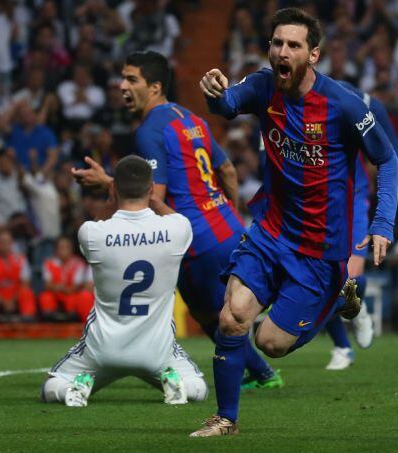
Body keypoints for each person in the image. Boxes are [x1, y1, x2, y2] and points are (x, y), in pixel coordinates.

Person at [194, 7, 398, 436]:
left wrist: (382, 223)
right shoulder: (264, 85)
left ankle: (338, 294)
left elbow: (387, 158)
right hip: (271, 231)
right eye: (277, 43)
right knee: (232, 318)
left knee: (270, 342)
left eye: (293, 45)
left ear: (314, 54)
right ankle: (225, 419)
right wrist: (215, 92)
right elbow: (228, 103)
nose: (282, 52)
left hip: (320, 249)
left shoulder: (342, 105)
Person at [72, 51, 280, 390]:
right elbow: (226, 169)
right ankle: (262, 368)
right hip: (228, 226)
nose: (122, 86)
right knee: (231, 310)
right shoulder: (191, 118)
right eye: (123, 78)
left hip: (195, 238)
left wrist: (105, 183)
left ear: (154, 87)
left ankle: (263, 373)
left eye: (132, 79)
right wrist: (226, 210)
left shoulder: (149, 131)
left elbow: (152, 195)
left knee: (210, 317)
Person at [41, 156, 208, 407]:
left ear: (115, 189)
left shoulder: (92, 233)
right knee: (199, 388)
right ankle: (178, 385)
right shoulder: (178, 229)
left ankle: (73, 391)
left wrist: (111, 193)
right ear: (151, 189)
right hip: (156, 351)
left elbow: (99, 222)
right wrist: (149, 197)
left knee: (51, 386)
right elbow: (171, 215)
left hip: (101, 350)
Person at [322, 80, 398, 371]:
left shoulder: (340, 94)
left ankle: (358, 304)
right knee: (325, 279)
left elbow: (376, 106)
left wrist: (397, 154)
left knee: (348, 277)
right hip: (309, 204)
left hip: (350, 198)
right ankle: (342, 345)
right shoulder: (279, 100)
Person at [0, 230, 37, 321]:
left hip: (16, 294)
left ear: (12, 244)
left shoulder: (21, 259)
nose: (5, 245)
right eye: (2, 242)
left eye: (8, 242)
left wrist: (12, 301)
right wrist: (4, 302)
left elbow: (25, 283)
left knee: (27, 292)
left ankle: (28, 322)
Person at [38, 237, 93, 321]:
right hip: (55, 292)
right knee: (46, 296)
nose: (64, 251)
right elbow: (47, 284)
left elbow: (77, 286)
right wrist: (56, 288)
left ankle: (72, 319)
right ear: (56, 250)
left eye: (67, 247)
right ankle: (49, 320)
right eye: (61, 248)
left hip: (71, 293)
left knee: (75, 298)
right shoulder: (49, 263)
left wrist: (65, 289)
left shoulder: (79, 263)